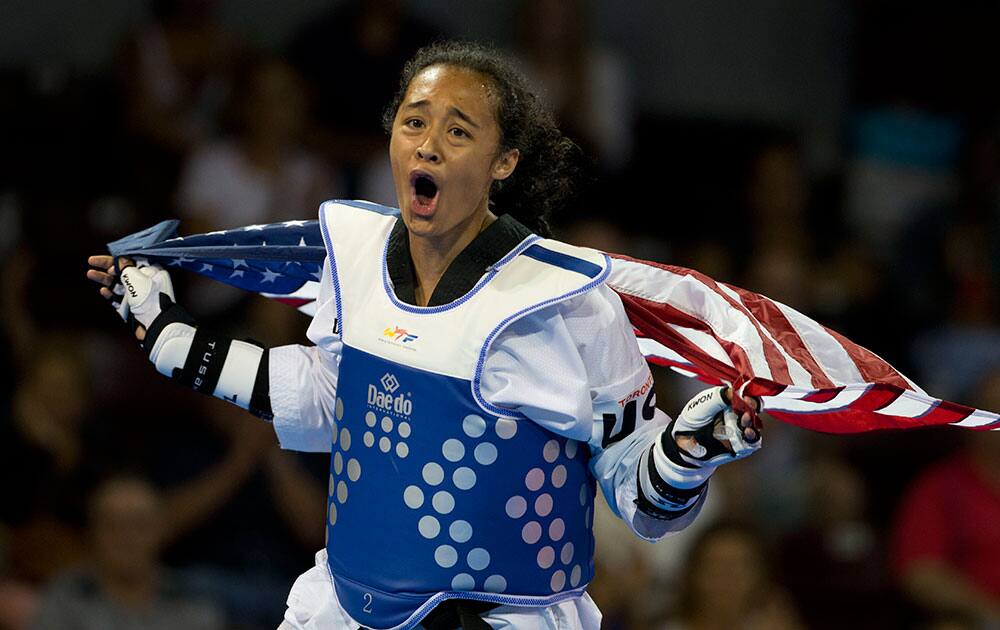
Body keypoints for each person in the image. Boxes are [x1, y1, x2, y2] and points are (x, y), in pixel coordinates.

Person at [88, 41, 762, 630]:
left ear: (504, 163)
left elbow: (641, 498)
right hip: (342, 610)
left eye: (459, 131)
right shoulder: (355, 256)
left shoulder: (568, 305)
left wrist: (684, 456)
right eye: (414, 122)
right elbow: (332, 397)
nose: (428, 143)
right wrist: (172, 340)